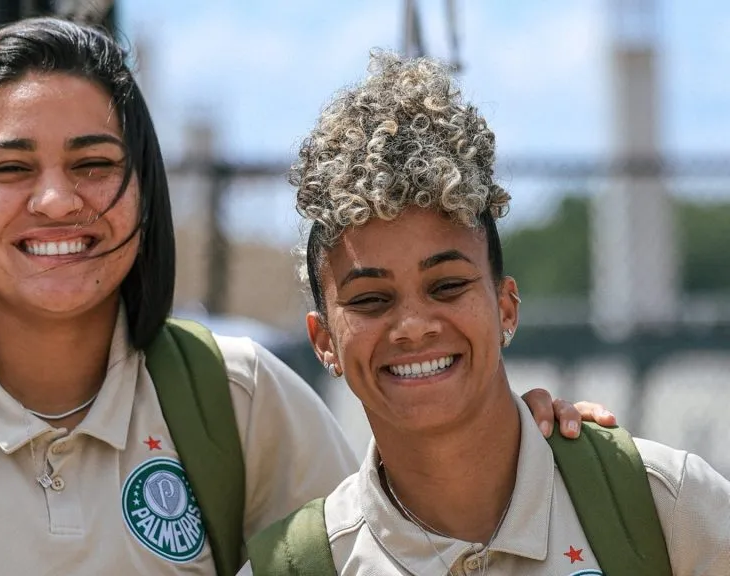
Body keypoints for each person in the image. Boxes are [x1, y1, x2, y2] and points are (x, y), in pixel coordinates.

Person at [0, 19, 610, 576]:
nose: (57, 201)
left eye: (96, 165)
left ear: (147, 192)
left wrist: (509, 451)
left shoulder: (235, 401)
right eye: (11, 168)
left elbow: (412, 547)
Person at [238, 52, 730, 576]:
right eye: (370, 300)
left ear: (506, 306)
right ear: (324, 341)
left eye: (447, 286)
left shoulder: (662, 505)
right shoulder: (305, 565)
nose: (414, 326)